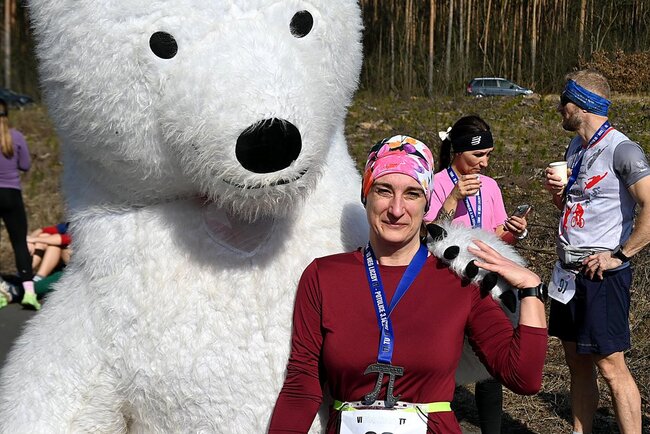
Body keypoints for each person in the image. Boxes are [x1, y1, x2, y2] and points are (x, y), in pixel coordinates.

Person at [270, 135, 548, 433]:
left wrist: (531, 288)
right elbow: (302, 386)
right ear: (365, 195)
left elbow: (524, 378)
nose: (396, 209)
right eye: (384, 190)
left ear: (427, 202)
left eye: (412, 194)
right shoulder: (324, 276)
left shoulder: (458, 280)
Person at [544, 70, 650, 434]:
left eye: (564, 100)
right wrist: (559, 195)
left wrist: (620, 255)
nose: (559, 107)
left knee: (610, 366)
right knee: (577, 361)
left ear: (582, 104)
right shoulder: (576, 147)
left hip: (601, 274)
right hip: (567, 273)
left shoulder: (622, 149)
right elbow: (577, 206)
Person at [424, 115, 530, 433]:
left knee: (490, 363)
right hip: (446, 286)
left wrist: (514, 231)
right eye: (478, 155)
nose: (484, 163)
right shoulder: (435, 184)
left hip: (486, 285)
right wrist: (453, 198)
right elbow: (427, 236)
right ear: (457, 151)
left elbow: (497, 237)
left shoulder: (491, 186)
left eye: (488, 155)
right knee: (443, 361)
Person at [0, 98, 38, 310]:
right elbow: (25, 164)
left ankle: (1, 293)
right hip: (12, 194)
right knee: (19, 243)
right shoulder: (16, 137)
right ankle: (29, 294)